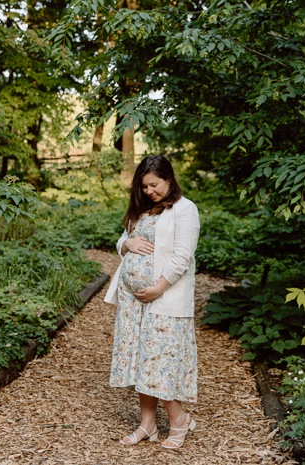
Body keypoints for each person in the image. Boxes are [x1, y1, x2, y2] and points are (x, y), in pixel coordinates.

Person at [104, 154, 200, 449]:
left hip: (165, 298)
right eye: (144, 186)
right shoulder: (143, 209)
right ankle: (148, 425)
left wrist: (157, 287)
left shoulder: (185, 210)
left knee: (160, 363)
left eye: (154, 185)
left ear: (169, 179)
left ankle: (179, 420)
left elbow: (182, 256)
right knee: (140, 364)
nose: (149, 192)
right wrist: (126, 243)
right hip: (134, 303)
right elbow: (124, 239)